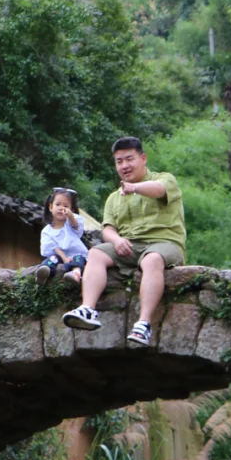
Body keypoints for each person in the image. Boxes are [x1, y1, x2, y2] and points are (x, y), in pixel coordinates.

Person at [62, 137, 185, 347]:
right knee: (96, 253)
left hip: (164, 243)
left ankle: (143, 324)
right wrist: (117, 240)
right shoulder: (113, 198)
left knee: (151, 260)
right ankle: (88, 309)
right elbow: (107, 229)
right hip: (129, 247)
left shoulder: (164, 179)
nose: (124, 165)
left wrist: (134, 188)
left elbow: (158, 190)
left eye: (129, 159)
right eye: (119, 161)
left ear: (143, 158)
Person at [37, 186, 87, 284]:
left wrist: (71, 216)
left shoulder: (70, 224)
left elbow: (76, 225)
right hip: (59, 255)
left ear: (71, 210)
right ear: (51, 207)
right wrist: (64, 258)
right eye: (58, 204)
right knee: (52, 259)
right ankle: (44, 272)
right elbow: (53, 247)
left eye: (66, 206)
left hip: (75, 254)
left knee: (79, 259)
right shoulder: (46, 231)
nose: (61, 208)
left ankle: (76, 273)